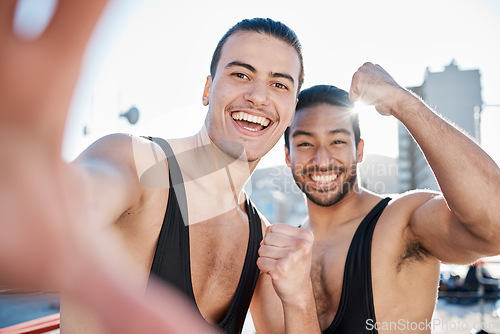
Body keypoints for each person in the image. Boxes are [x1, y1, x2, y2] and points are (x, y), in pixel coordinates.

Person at [0, 0, 320, 332]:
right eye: (240, 74)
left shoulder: (265, 241)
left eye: (279, 84)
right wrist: (45, 195)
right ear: (208, 89)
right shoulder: (138, 165)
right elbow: (89, 191)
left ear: (292, 113)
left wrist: (299, 297)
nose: (258, 96)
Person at [254, 64, 500, 333]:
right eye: (305, 144)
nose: (322, 160)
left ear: (359, 151)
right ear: (288, 157)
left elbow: (495, 228)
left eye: (337, 142)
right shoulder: (279, 257)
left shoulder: (401, 222)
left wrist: (401, 102)